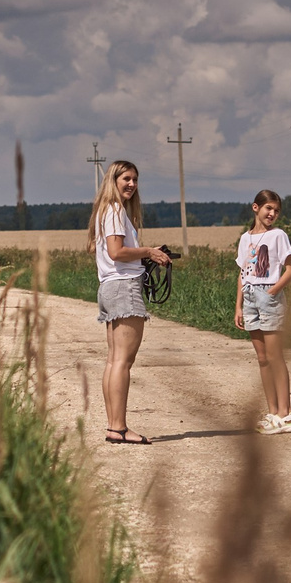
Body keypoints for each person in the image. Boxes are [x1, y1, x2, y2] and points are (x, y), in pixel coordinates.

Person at [91, 160, 172, 444]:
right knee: (122, 362)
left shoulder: (106, 210)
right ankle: (119, 427)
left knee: (114, 360)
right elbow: (117, 252)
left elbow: (115, 251)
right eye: (126, 178)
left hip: (109, 286)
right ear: (113, 180)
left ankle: (114, 426)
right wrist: (148, 252)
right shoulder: (115, 210)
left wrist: (146, 252)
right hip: (124, 287)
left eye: (135, 179)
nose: (132, 184)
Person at [234, 190, 291, 434]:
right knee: (262, 359)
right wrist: (239, 305)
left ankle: (286, 414)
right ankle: (273, 413)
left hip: (268, 297)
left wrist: (272, 291)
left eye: (276, 210)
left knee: (275, 357)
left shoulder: (278, 236)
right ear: (256, 208)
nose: (272, 214)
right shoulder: (245, 238)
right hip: (250, 297)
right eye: (268, 208)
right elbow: (242, 273)